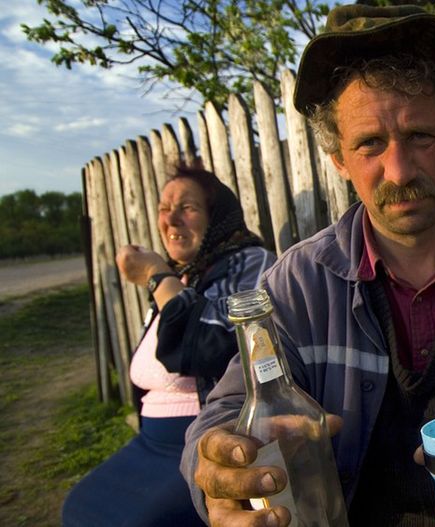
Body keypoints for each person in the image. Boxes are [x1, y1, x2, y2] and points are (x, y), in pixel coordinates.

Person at [181, 4, 435, 526]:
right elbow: (226, 412)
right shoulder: (294, 286)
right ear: (339, 159)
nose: (398, 171)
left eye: (420, 135)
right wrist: (218, 468)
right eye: (370, 143)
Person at [62, 165, 275, 526]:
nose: (171, 220)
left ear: (216, 217)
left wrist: (157, 277)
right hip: (149, 443)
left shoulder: (250, 262)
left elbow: (208, 349)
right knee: (78, 505)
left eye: (187, 208)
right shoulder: (186, 276)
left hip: (203, 441)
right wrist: (168, 279)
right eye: (164, 208)